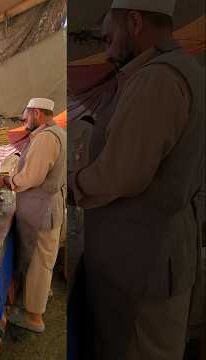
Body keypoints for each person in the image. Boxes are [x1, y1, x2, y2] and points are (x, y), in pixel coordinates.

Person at [68, 0, 205, 359]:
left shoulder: (158, 77)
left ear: (134, 21)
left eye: (109, 35)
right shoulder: (181, 71)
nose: (106, 45)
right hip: (153, 257)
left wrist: (75, 185)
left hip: (145, 263)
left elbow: (120, 174)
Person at [0, 97, 66, 332]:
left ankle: (34, 318)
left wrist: (8, 180)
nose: (25, 122)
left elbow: (32, 177)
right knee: (45, 258)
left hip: (42, 209)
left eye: (26, 117)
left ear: (36, 113)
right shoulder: (59, 134)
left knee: (38, 262)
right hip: (49, 205)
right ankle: (43, 295)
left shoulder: (46, 138)